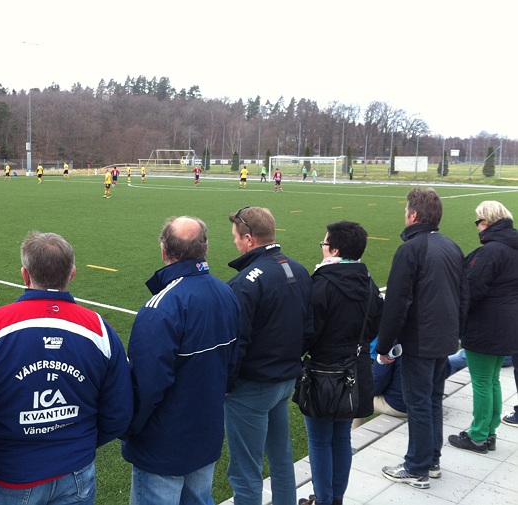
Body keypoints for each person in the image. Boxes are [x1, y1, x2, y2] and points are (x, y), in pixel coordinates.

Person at [0, 231, 133, 505]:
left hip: (11, 475)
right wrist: (79, 442)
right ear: (72, 273)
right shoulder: (99, 329)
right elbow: (119, 409)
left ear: (25, 275)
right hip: (74, 472)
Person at [122, 216, 240, 505]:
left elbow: (146, 386)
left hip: (163, 445)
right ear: (205, 248)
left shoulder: (161, 308)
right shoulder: (226, 292)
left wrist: (128, 428)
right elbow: (232, 365)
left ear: (164, 251)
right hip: (206, 434)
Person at [377, 188, 469, 489]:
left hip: (420, 340)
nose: (404, 215)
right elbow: (463, 297)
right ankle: (431, 461)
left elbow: (397, 303)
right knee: (431, 400)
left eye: (406, 210)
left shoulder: (411, 250)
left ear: (414, 215)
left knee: (418, 403)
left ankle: (417, 467)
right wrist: (457, 332)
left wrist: (385, 345)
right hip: (444, 338)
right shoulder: (451, 246)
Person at [225, 206, 313, 505]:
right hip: (285, 379)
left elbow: (237, 342)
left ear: (249, 239)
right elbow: (309, 328)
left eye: (236, 237)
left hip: (253, 387)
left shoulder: (246, 282)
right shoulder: (298, 269)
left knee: (245, 470)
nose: (234, 242)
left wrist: (227, 384)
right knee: (280, 457)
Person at [298, 221, 383, 505]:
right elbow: (374, 326)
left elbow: (308, 332)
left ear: (334, 250)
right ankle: (334, 498)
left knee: (320, 441)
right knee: (341, 438)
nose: (322, 248)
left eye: (324, 244)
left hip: (324, 372)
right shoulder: (368, 282)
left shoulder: (321, 283)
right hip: (355, 370)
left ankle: (324, 499)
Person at [448, 201, 518, 454]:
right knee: (491, 381)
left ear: (487, 221)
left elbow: (471, 290)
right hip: (508, 323)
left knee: (481, 381)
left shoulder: (491, 251)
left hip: (486, 325)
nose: (477, 227)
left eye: (478, 222)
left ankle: (478, 435)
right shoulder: (511, 247)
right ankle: (489, 433)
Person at [352, 341, 407, 428]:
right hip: (423, 403)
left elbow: (378, 383)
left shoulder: (390, 343)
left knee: (356, 397)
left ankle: (355, 434)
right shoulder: (425, 340)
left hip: (398, 406)